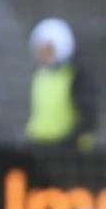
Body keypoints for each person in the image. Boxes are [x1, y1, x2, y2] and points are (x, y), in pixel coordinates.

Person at [26, 18, 96, 149]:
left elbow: (88, 119)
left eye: (48, 50)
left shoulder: (77, 77)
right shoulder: (40, 75)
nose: (43, 55)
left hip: (69, 152)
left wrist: (67, 143)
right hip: (40, 146)